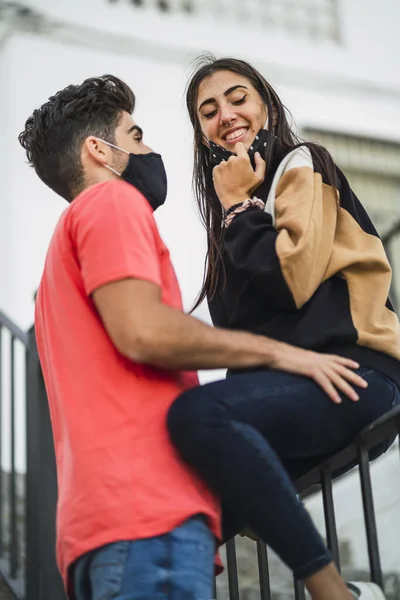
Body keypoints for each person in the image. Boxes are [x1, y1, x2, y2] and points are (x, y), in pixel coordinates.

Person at [18, 74, 366, 600]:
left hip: (96, 534)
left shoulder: (54, 274)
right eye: (135, 137)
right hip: (148, 524)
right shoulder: (111, 203)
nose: (148, 149)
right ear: (99, 150)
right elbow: (145, 331)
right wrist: (284, 355)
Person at [167, 56, 400, 600]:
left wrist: (238, 207)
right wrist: (234, 213)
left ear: (265, 104)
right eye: (208, 111)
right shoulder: (230, 218)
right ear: (202, 134)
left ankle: (334, 591)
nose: (225, 114)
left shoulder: (301, 164)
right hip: (303, 386)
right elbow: (248, 339)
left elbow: (288, 279)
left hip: (358, 372)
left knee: (198, 413)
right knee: (184, 514)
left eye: (237, 97)